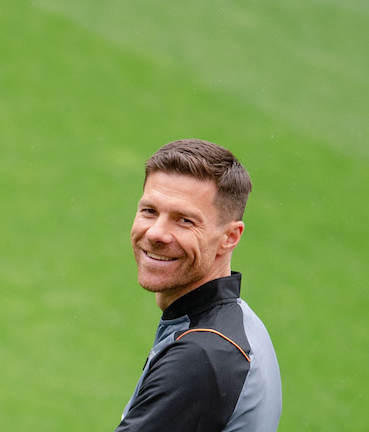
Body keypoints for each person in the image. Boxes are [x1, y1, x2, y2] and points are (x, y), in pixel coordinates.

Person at [115, 139, 282, 432]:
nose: (156, 233)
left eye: (184, 220)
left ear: (230, 237)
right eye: (149, 211)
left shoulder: (202, 356)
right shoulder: (240, 323)